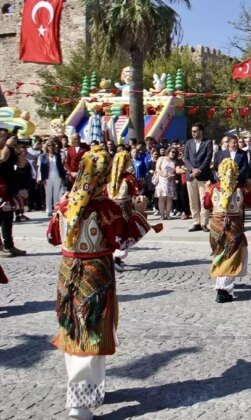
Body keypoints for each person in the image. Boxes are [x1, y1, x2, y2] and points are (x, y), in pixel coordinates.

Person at [46, 145, 154, 420]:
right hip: (96, 274)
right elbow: (123, 241)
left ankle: (88, 390)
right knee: (92, 330)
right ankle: (80, 403)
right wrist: (140, 214)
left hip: (68, 273)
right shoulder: (105, 208)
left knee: (73, 329)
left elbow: (53, 237)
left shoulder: (66, 201)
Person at [203, 158, 251, 303]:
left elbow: (206, 204)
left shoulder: (214, 187)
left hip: (216, 229)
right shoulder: (242, 189)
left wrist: (206, 190)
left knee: (221, 254)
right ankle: (223, 290)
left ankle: (227, 282)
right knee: (230, 257)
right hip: (233, 229)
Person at [107, 151, 162, 271]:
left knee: (114, 232)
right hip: (124, 207)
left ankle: (114, 257)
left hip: (111, 207)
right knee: (126, 232)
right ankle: (117, 259)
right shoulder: (128, 177)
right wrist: (140, 184)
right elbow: (135, 191)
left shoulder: (109, 177)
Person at [184, 123, 213, 232]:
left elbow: (208, 157)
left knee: (203, 200)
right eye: (192, 131)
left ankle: (204, 223)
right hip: (191, 176)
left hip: (203, 175)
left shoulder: (207, 142)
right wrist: (192, 169)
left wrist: (199, 170)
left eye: (195, 131)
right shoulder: (189, 143)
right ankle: (196, 222)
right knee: (193, 201)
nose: (193, 133)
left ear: (201, 131)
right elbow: (185, 158)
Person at [0, 136, 26, 257]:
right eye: (2, 137)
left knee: (7, 219)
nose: (5, 139)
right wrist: (8, 146)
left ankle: (9, 245)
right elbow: (2, 158)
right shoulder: (4, 151)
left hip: (8, 188)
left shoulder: (9, 150)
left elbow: (21, 164)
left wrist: (18, 149)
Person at [37, 139, 67, 216]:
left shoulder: (57, 155)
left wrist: (63, 176)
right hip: (47, 177)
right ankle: (48, 209)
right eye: (49, 146)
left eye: (52, 146)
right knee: (48, 193)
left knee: (56, 194)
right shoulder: (42, 156)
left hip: (57, 176)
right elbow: (40, 168)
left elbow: (61, 166)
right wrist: (40, 178)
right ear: (47, 147)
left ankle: (56, 208)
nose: (51, 147)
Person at [154, 146, 178, 220]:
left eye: (175, 152)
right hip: (162, 180)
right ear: (168, 151)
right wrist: (164, 175)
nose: (173, 154)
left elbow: (176, 171)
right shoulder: (161, 158)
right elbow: (157, 168)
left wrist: (173, 176)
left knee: (169, 198)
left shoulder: (175, 161)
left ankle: (168, 215)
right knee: (162, 198)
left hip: (170, 181)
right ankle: (162, 215)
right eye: (172, 152)